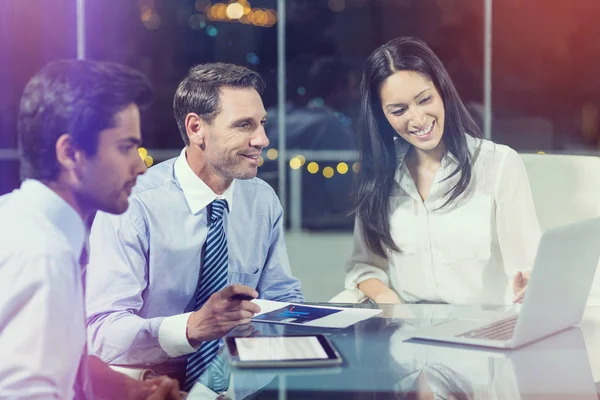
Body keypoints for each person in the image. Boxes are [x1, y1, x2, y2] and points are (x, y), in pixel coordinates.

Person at [85, 62, 304, 392]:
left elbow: (280, 299)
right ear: (196, 128)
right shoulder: (133, 204)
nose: (262, 139)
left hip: (240, 385)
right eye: (244, 125)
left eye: (261, 123)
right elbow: (102, 333)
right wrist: (190, 328)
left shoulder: (262, 200)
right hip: (154, 387)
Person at [0, 60, 181, 399]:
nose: (141, 167)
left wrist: (132, 390)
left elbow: (63, 360)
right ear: (70, 153)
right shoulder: (42, 256)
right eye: (126, 148)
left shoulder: (16, 217)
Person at [344, 37, 541, 305]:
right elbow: (364, 266)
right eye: (399, 110)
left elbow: (529, 265)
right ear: (382, 116)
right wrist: (389, 303)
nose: (418, 119)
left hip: (482, 334)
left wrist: (534, 284)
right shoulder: (379, 176)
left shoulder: (499, 164)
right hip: (407, 336)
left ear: (442, 92)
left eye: (424, 100)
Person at [263, 56, 358, 230]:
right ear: (338, 88)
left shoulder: (280, 117)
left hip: (274, 218)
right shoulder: (332, 128)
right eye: (353, 88)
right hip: (315, 223)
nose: (356, 95)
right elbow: (342, 192)